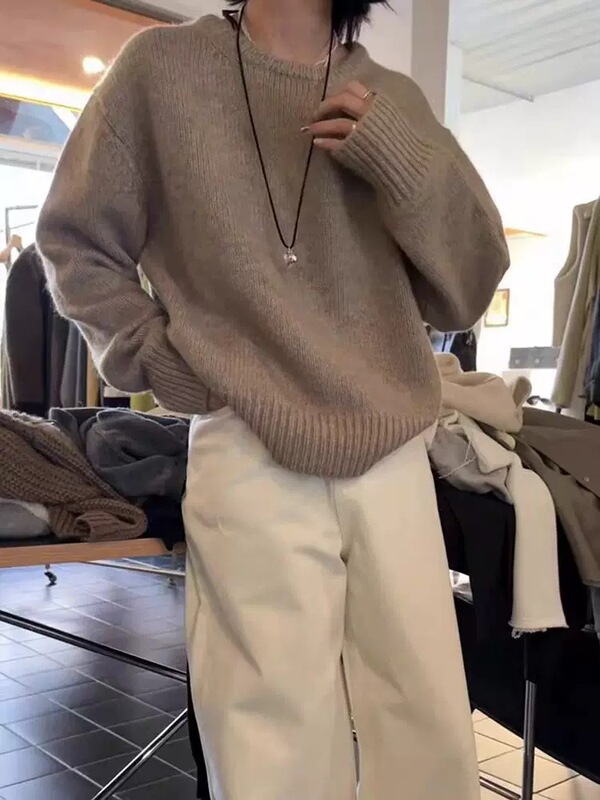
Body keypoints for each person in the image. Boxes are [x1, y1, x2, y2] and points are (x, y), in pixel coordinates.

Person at [36, 0, 509, 797]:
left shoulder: (392, 97)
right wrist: (163, 359)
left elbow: (468, 286)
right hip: (249, 440)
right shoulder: (161, 72)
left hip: (392, 451)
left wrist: (400, 157)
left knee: (426, 734)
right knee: (268, 751)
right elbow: (75, 241)